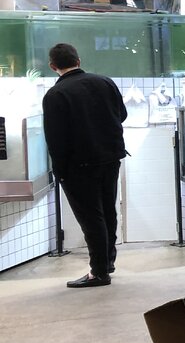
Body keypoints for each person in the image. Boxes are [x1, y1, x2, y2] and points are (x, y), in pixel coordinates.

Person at [42, 43, 127, 288]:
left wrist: (60, 171)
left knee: (91, 218)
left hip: (78, 166)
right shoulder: (105, 82)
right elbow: (121, 114)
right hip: (111, 158)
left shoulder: (56, 95)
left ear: (53, 66)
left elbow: (55, 139)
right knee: (108, 212)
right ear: (78, 60)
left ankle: (99, 272)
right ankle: (107, 261)